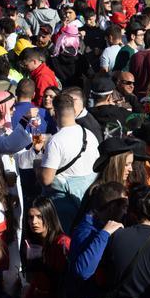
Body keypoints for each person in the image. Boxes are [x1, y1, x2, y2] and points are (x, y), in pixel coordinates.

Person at [41, 93, 100, 229]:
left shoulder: (56, 141)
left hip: (64, 206)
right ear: (74, 111)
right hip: (87, 201)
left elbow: (46, 180)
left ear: (55, 113)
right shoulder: (89, 135)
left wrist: (38, 167)